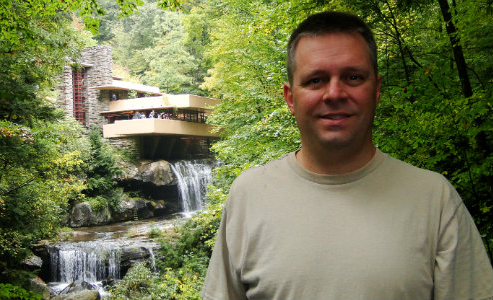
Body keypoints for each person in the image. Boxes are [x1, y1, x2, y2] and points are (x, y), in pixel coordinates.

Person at [201, 11, 493, 300]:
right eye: (316, 80)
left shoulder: (435, 200)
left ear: (376, 89)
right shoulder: (248, 195)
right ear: (290, 97)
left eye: (353, 77)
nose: (334, 93)